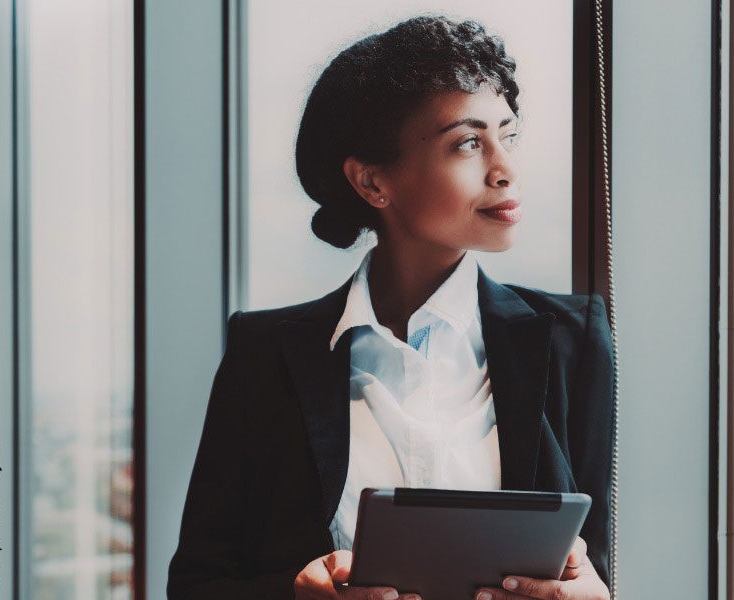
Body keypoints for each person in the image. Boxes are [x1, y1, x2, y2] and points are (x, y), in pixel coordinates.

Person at [166, 14, 614, 600]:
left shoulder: (571, 340)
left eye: (508, 136)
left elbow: (596, 568)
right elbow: (196, 586)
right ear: (373, 183)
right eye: (468, 143)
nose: (505, 171)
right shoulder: (266, 354)